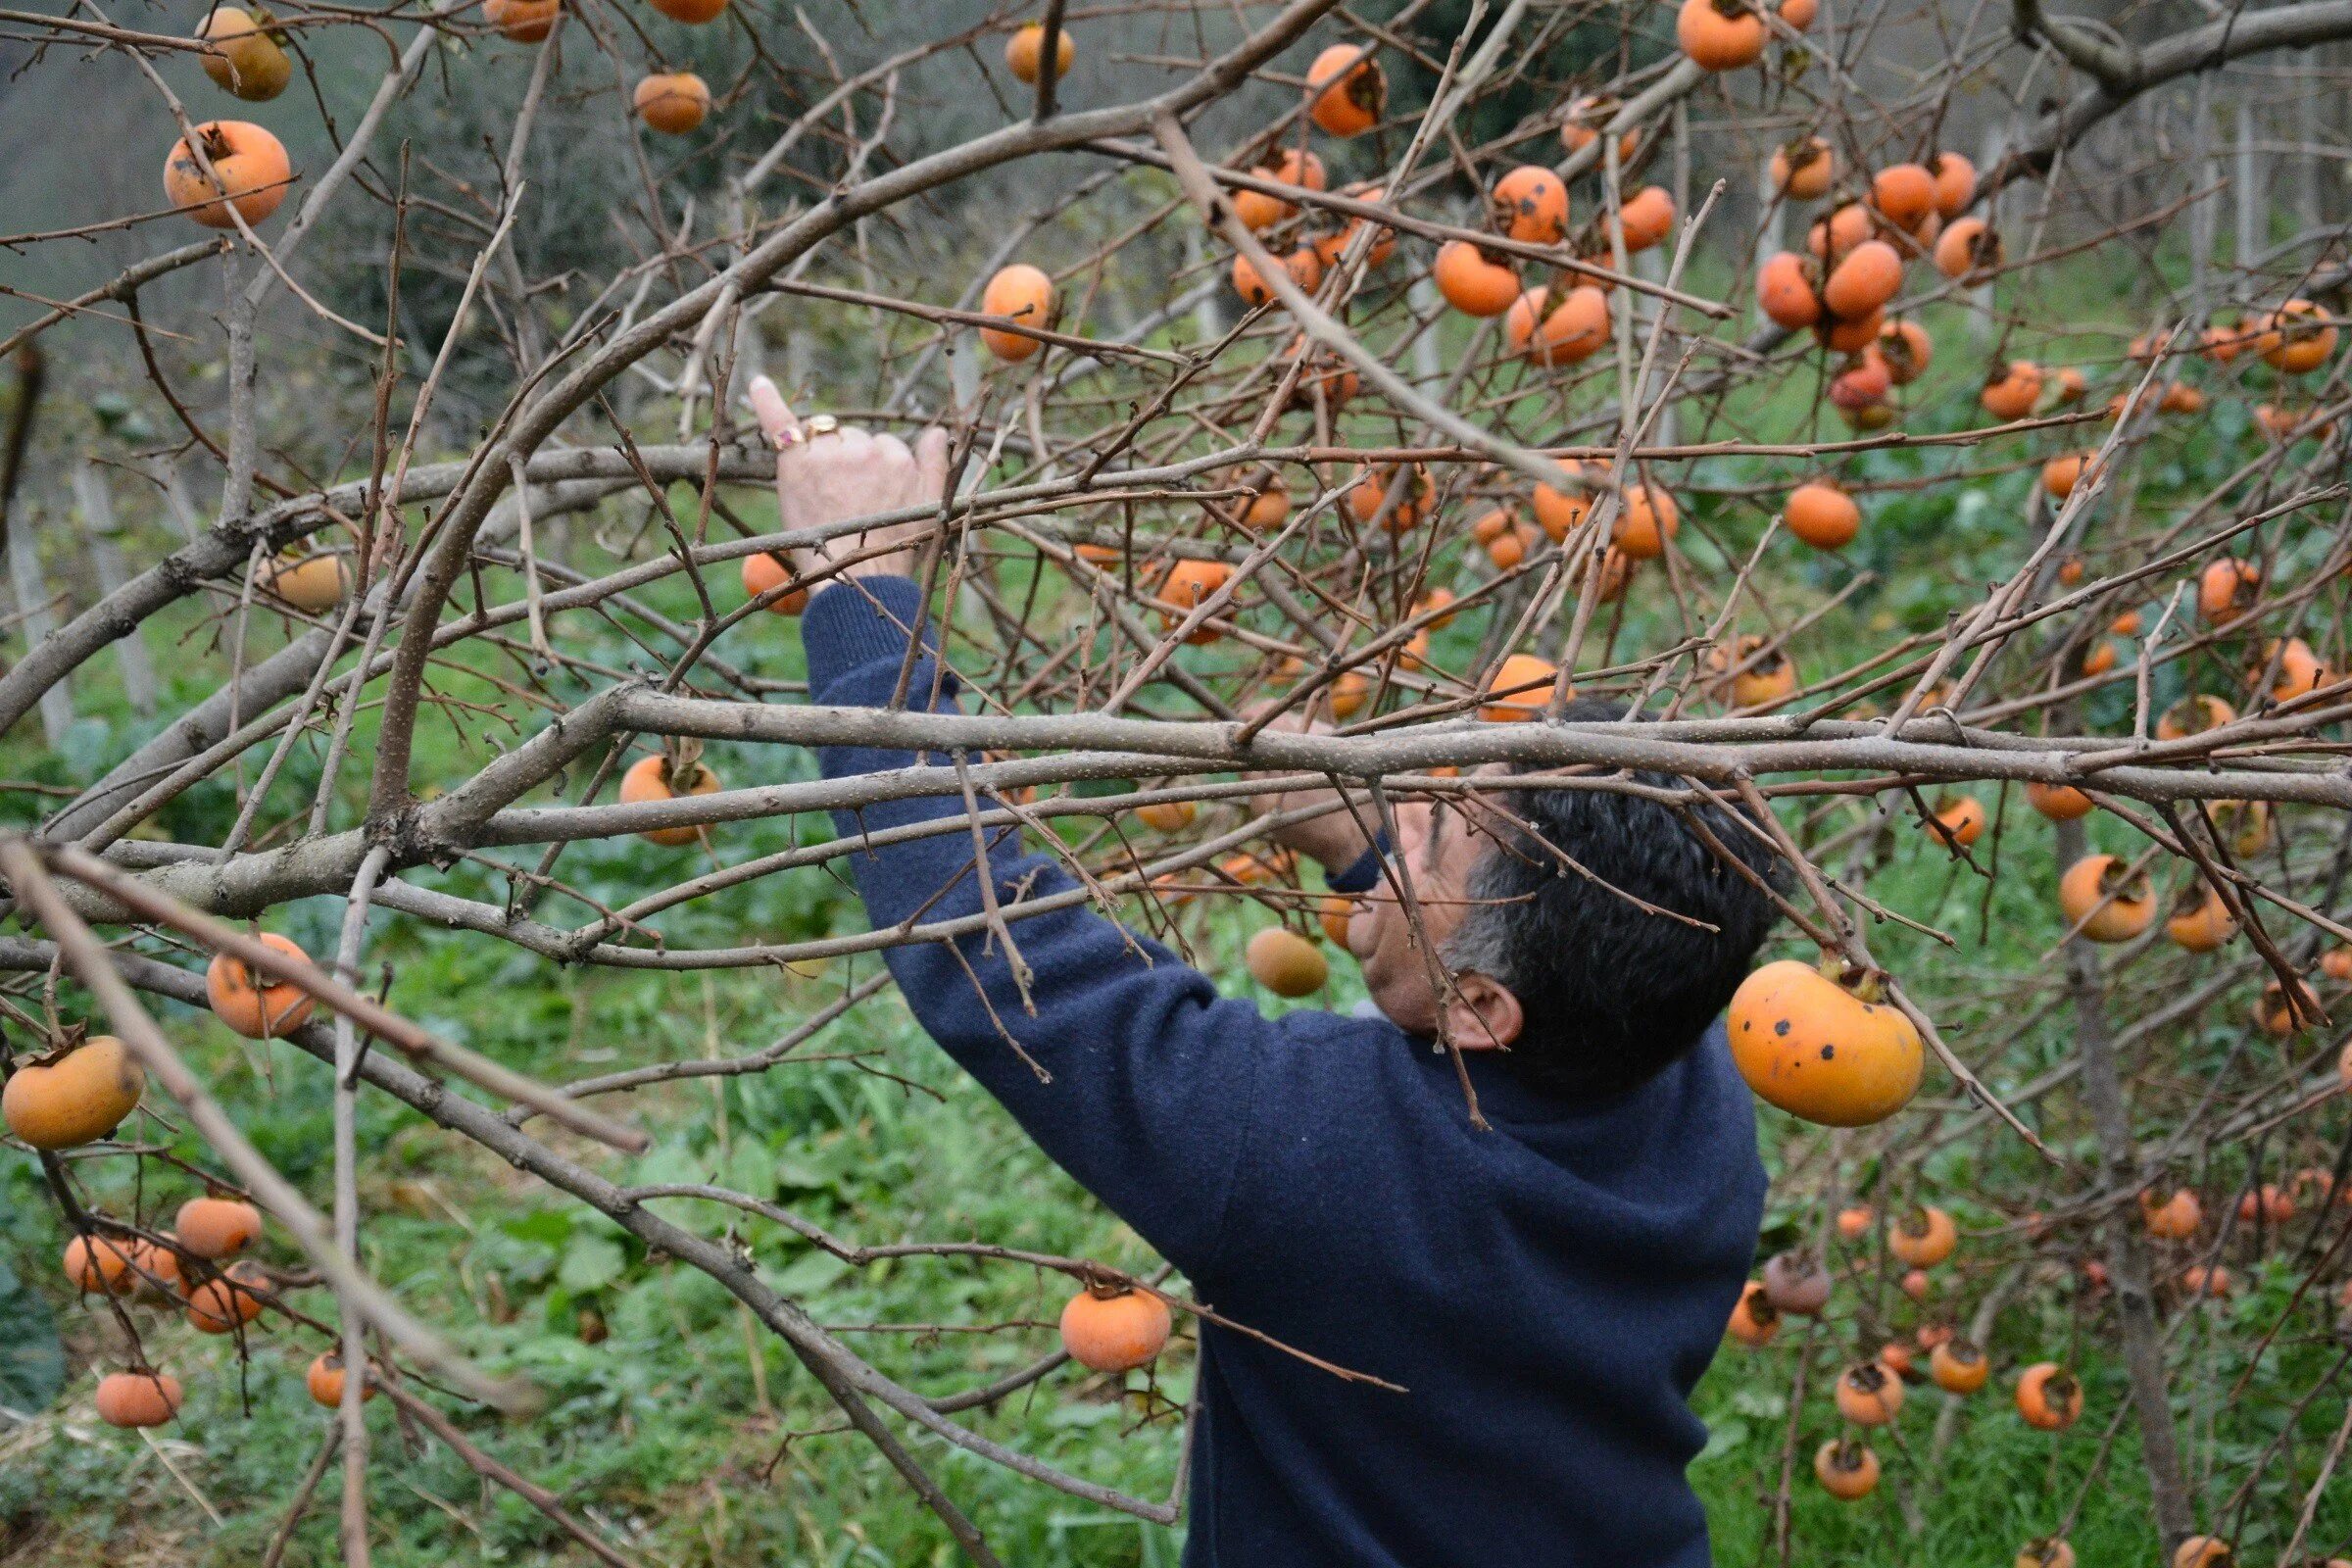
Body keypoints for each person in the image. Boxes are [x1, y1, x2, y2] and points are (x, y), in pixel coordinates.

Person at [746, 376, 1784, 1567]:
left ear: (1486, 1008)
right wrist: (1364, 858)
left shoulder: (1305, 1161)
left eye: (1434, 831)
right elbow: (1543, 956)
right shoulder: (1693, 1080)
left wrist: (862, 590)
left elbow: (989, 946)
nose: (1402, 802)